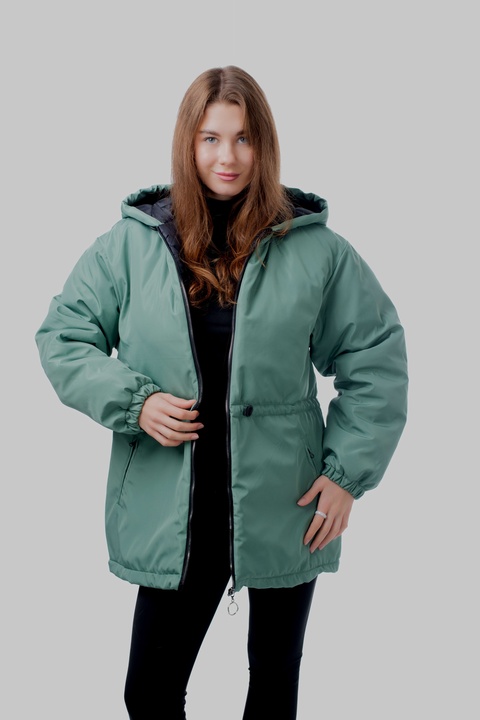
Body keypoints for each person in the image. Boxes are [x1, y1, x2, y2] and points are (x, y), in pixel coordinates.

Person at [36, 66, 408, 719]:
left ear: (264, 145)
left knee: (273, 688)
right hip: (173, 506)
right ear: (189, 143)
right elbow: (63, 337)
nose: (227, 157)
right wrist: (136, 402)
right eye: (210, 138)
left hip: (287, 503)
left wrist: (346, 475)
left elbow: (376, 356)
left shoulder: (317, 251)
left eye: (242, 138)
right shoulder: (131, 246)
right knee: (149, 691)